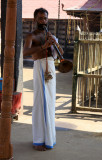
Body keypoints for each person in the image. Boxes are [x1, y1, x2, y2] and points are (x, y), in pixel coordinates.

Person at [23, 8, 63, 151]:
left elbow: (60, 54)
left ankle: (49, 138)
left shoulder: (50, 35)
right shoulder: (31, 35)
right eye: (40, 18)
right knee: (40, 103)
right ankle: (38, 141)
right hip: (40, 67)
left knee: (50, 103)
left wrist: (54, 44)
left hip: (50, 68)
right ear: (35, 19)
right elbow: (25, 52)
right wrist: (43, 46)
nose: (43, 21)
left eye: (45, 18)